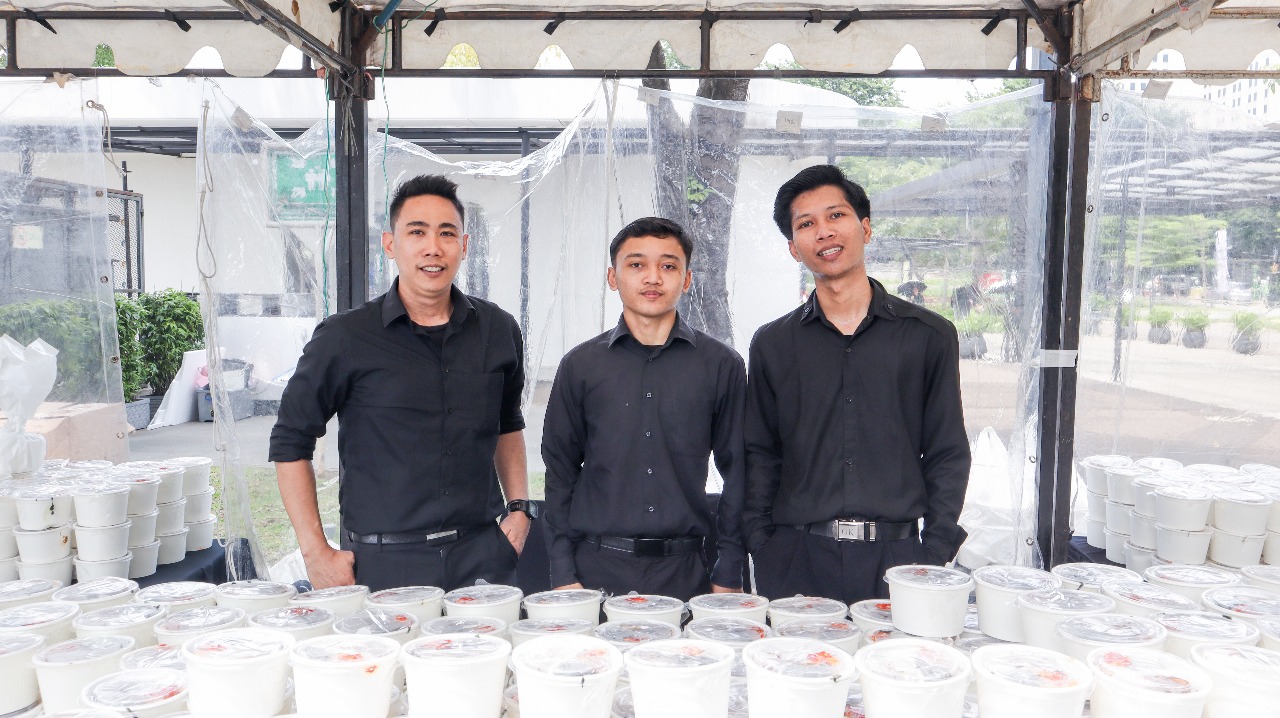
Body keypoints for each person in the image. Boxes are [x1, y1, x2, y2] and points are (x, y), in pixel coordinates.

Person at [269, 174, 533, 593]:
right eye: (417, 232)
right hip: (384, 564)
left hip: (482, 557)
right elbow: (289, 442)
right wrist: (316, 553)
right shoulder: (345, 337)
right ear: (390, 244)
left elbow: (507, 423)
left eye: (447, 233)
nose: (433, 247)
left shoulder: (498, 330)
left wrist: (518, 509)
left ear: (464, 246)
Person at [745, 164, 971, 604]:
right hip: (797, 556)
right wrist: (763, 543)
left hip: (901, 557)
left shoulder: (928, 335)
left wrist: (935, 547)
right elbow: (759, 452)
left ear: (865, 228)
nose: (824, 233)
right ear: (794, 248)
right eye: (806, 224)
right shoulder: (773, 343)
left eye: (836, 216)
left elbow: (947, 449)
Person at [542, 217, 747, 601]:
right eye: (636, 265)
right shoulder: (581, 365)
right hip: (595, 571)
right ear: (613, 277)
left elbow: (739, 472)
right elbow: (559, 472)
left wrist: (729, 565)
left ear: (686, 280)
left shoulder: (721, 365)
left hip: (689, 572)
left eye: (668, 266)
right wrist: (562, 570)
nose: (653, 277)